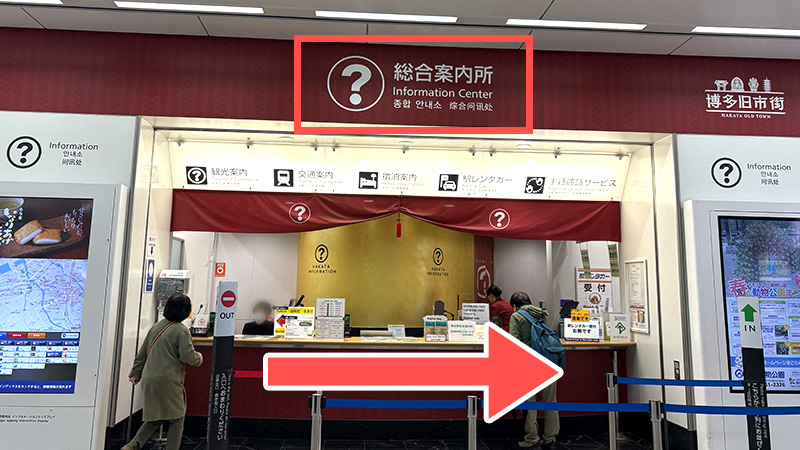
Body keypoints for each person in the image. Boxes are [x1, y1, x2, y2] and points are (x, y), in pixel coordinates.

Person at [123, 293, 203, 450]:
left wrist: (135, 373)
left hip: (150, 379)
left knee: (155, 417)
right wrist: (199, 358)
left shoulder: (156, 327)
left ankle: (131, 446)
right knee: (177, 418)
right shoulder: (181, 331)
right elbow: (188, 356)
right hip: (169, 381)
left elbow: (142, 353)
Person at [509, 292, 560, 450]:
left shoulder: (516, 316)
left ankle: (532, 439)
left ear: (514, 306)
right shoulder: (541, 313)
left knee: (530, 404)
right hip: (547, 361)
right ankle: (550, 439)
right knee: (550, 402)